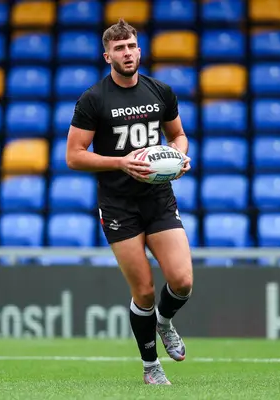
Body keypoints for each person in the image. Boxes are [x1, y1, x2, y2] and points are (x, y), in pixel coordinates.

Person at [66, 19, 194, 385]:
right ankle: (151, 367)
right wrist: (121, 162)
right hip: (119, 205)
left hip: (157, 198)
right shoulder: (93, 99)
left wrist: (179, 158)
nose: (127, 53)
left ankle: (164, 323)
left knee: (182, 281)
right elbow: (74, 156)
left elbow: (179, 135)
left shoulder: (161, 91)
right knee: (144, 291)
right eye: (118, 48)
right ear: (107, 55)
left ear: (140, 50)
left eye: (131, 46)